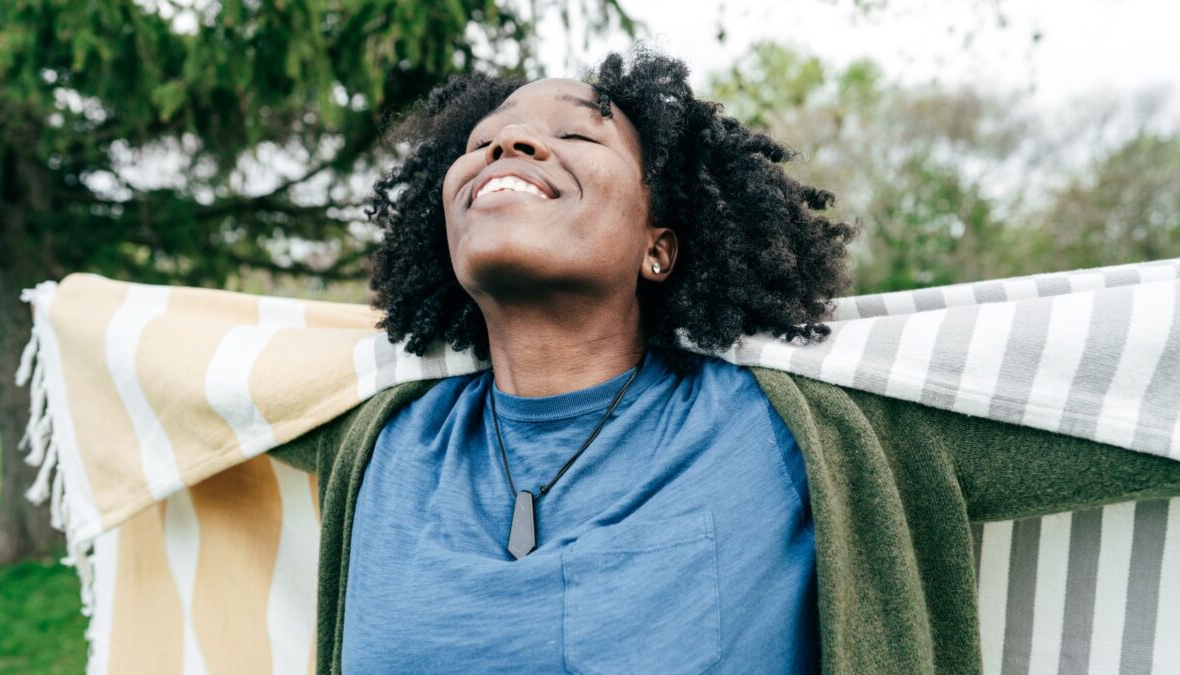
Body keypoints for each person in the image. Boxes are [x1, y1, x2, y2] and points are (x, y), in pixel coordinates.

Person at [266, 48, 1180, 674]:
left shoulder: (808, 434)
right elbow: (171, 381)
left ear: (659, 246)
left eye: (576, 137)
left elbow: (1126, 388)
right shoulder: (370, 440)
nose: (509, 143)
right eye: (482, 143)